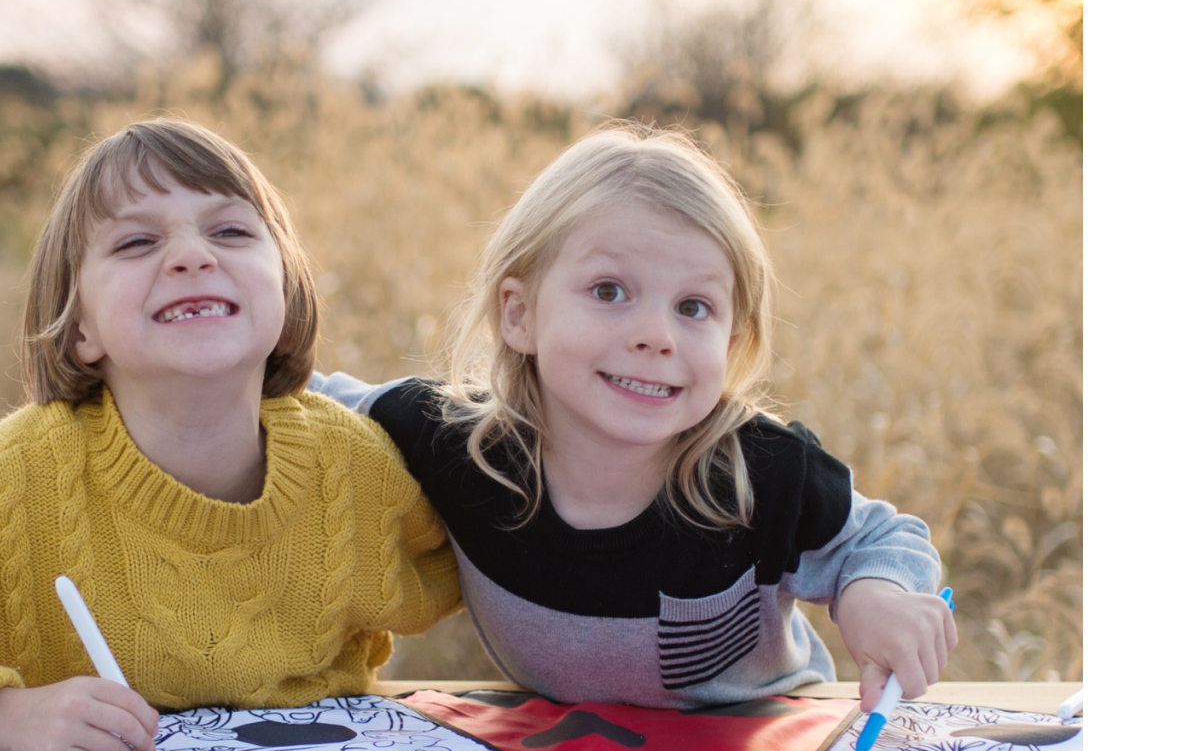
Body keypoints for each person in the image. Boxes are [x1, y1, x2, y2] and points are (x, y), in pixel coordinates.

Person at [0, 120, 460, 751]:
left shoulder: (357, 469)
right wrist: (0, 714)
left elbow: (485, 574)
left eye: (229, 230)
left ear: (286, 290)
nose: (192, 256)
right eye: (136, 243)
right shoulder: (6, 484)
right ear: (81, 330)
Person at [313, 127, 955, 712]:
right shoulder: (457, 441)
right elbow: (305, 400)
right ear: (520, 315)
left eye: (694, 307)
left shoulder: (761, 473)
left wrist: (877, 599)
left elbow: (882, 542)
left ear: (730, 344)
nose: (656, 335)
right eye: (609, 291)